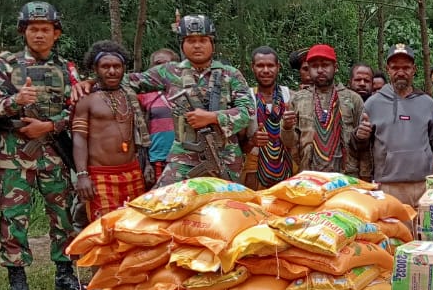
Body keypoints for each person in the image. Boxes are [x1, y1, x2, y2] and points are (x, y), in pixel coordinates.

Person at [0, 2, 81, 290]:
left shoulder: (67, 68)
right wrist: (16, 100)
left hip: (53, 150)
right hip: (15, 151)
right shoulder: (6, 64)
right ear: (23, 32)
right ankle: (17, 278)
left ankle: (65, 272)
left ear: (56, 33)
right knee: (14, 215)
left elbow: (78, 111)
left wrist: (50, 126)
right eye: (33, 29)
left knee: (62, 212)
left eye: (45, 30)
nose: (39, 35)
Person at [124, 14, 254, 187]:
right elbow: (126, 81)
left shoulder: (230, 74)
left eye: (203, 40)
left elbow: (247, 111)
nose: (197, 45)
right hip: (183, 157)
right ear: (182, 45)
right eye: (191, 41)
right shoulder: (169, 72)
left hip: (224, 157)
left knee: (224, 208)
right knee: (164, 202)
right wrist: (90, 82)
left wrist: (212, 117)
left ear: (212, 44)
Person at [357, 43, 433, 207]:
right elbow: (359, 148)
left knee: (423, 233)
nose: (401, 72)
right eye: (395, 67)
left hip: (423, 187)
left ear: (414, 69)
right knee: (394, 232)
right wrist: (360, 137)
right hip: (388, 187)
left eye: (406, 67)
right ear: (388, 69)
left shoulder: (427, 103)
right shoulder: (373, 104)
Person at [72, 40, 151, 221]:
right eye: (105, 66)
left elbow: (140, 134)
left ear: (124, 68)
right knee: (105, 229)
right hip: (101, 176)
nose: (112, 71)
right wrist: (82, 175)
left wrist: (146, 165)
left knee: (134, 225)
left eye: (117, 66)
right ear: (95, 69)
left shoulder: (131, 97)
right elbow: (79, 138)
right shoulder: (87, 100)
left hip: (132, 172)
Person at [281, 44, 369, 179]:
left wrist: (365, 179)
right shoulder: (298, 99)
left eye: (325, 65)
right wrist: (286, 127)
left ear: (335, 67)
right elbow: (289, 145)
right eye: (315, 66)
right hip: (309, 177)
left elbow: (364, 148)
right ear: (309, 69)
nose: (320, 70)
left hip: (346, 177)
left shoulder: (353, 99)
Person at [244, 46, 293, 189]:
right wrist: (252, 141)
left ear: (278, 67)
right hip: (254, 174)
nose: (266, 70)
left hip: (288, 170)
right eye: (260, 65)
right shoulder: (245, 98)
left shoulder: (291, 96)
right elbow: (237, 144)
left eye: (270, 65)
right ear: (252, 67)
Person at [137, 48, 178, 181]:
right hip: (158, 160)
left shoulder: (188, 92)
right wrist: (147, 163)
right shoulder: (144, 97)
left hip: (185, 160)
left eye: (168, 63)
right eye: (158, 63)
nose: (163, 68)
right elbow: (139, 131)